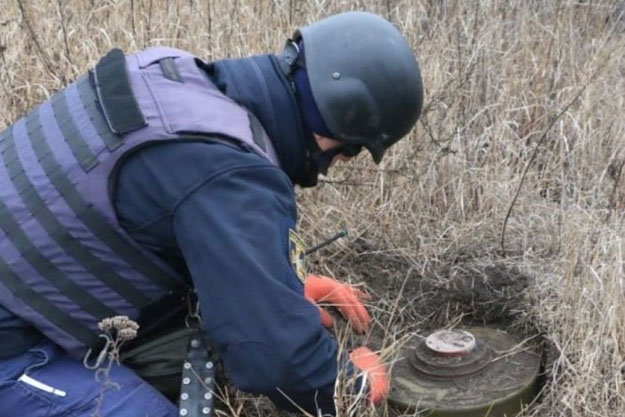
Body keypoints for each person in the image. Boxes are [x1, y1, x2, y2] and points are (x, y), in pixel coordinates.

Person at [0, 10, 423, 417]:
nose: (341, 163)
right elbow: (276, 358)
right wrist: (351, 385)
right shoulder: (231, 175)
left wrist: (282, 286)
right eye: (350, 150)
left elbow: (161, 219)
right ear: (341, 118)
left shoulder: (170, 74)